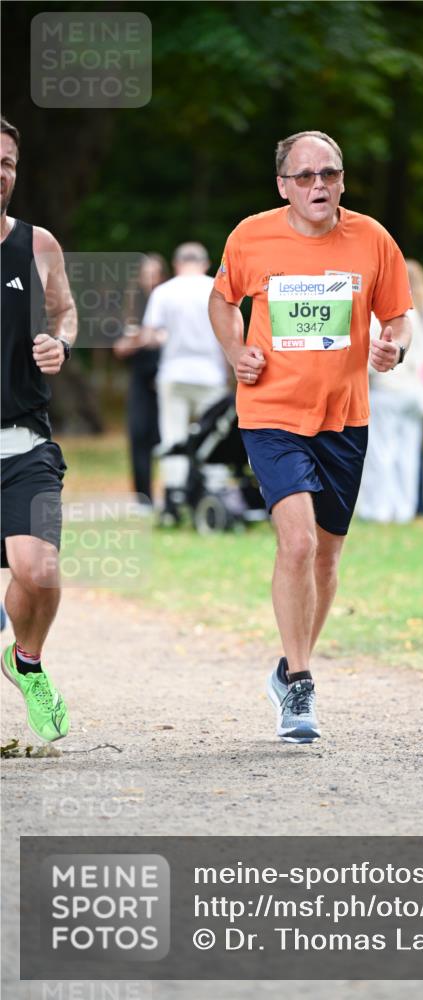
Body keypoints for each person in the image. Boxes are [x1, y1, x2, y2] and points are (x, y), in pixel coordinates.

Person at [209, 129, 412, 743]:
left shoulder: (372, 239)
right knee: (295, 545)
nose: (318, 185)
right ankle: (300, 683)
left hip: (345, 418)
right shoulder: (251, 235)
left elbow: (399, 315)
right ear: (283, 186)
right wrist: (235, 349)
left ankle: (289, 665)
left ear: (343, 181)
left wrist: (393, 348)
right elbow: (222, 301)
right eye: (305, 176)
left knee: (325, 558)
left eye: (328, 174)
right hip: (270, 413)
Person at [1, 116, 77, 741]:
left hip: (24, 442)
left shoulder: (37, 244)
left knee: (41, 570)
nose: (0, 172)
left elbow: (67, 311)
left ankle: (26, 661)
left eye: (7, 161)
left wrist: (60, 342)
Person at [141, 242, 229, 524]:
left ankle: (174, 497)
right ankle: (216, 491)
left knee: (173, 435)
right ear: (205, 264)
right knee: (216, 434)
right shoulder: (215, 288)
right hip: (209, 373)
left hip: (174, 372)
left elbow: (151, 335)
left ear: (177, 264)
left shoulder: (165, 291)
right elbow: (229, 332)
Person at [356, 259, 423, 523]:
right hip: (415, 390)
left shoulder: (383, 316)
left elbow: (372, 356)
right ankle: (404, 509)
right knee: (408, 451)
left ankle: (380, 509)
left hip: (387, 389)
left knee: (381, 451)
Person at [113, 253, 169, 511]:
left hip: (167, 378)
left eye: (153, 274)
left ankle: (173, 495)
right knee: (138, 435)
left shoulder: (170, 299)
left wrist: (151, 337)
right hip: (140, 379)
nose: (149, 280)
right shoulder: (131, 306)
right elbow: (119, 347)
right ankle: (143, 498)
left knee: (167, 438)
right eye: (145, 274)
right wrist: (142, 339)